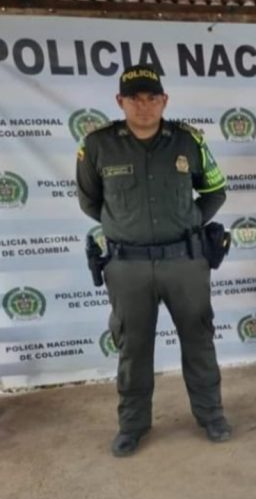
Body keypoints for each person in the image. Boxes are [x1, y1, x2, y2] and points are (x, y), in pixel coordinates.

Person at [76, 64, 232, 457]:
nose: (143, 106)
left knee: (198, 340)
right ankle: (132, 426)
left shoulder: (188, 141)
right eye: (134, 98)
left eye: (152, 98)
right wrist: (125, 227)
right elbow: (90, 201)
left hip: (185, 261)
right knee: (133, 347)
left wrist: (190, 221)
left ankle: (211, 415)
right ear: (120, 101)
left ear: (164, 101)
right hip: (127, 267)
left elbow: (215, 189)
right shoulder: (97, 145)